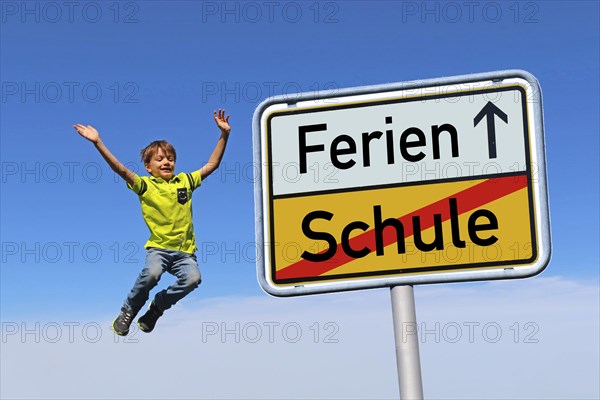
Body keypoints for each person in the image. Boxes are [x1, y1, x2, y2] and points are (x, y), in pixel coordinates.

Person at [73, 110, 231, 335]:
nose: (166, 161)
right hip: (159, 249)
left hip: (185, 253)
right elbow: (120, 169)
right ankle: (129, 310)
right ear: (148, 167)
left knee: (193, 279)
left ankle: (157, 308)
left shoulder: (185, 181)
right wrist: (98, 142)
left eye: (170, 158)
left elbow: (212, 164)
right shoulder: (145, 186)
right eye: (160, 159)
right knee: (152, 274)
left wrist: (224, 135)